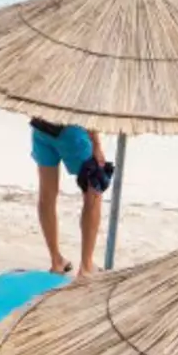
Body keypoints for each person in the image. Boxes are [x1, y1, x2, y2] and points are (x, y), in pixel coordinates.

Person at [29, 117, 109, 274]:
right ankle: (86, 266)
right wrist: (97, 144)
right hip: (71, 130)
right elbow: (87, 108)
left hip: (41, 128)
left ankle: (56, 261)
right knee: (93, 193)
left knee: (47, 195)